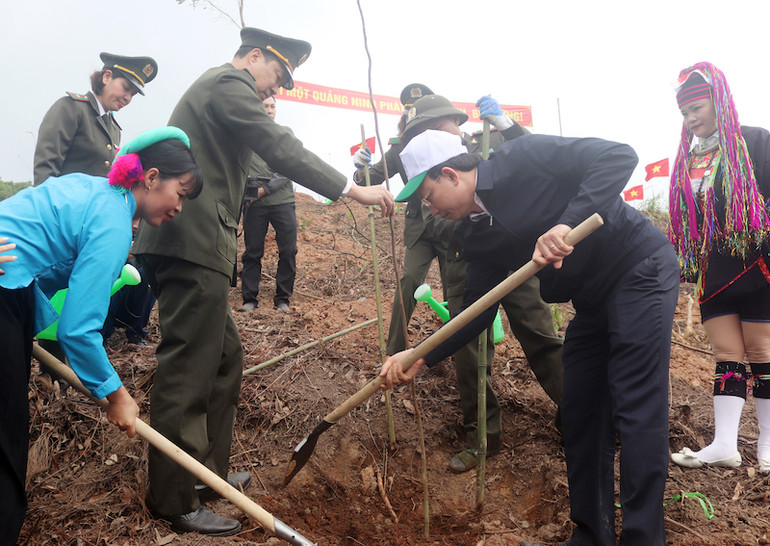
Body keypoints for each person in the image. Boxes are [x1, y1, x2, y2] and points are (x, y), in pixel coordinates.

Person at [131, 27, 394, 536]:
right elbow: (276, 144)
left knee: (225, 358)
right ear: (254, 57)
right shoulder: (227, 83)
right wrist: (350, 190)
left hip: (200, 244)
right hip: (191, 243)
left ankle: (204, 473)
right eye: (275, 77)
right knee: (189, 368)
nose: (274, 91)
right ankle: (173, 498)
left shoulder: (222, 93)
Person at [379, 130, 679, 545]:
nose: (429, 210)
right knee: (581, 410)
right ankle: (592, 536)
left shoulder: (524, 156)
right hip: (591, 302)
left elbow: (618, 156)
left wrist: (565, 223)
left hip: (638, 270)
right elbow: (478, 310)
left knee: (634, 405)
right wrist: (423, 354)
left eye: (428, 197)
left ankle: (644, 538)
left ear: (450, 174)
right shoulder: (474, 234)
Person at [0, 127, 202, 544]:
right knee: (5, 440)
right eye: (180, 193)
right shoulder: (113, 220)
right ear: (150, 178)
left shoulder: (98, 194)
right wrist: (117, 395)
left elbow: (55, 265)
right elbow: (77, 329)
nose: (180, 207)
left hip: (12, 289)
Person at [355, 90, 564, 473]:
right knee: (469, 354)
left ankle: (576, 411)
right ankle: (482, 437)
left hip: (520, 260)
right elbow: (429, 215)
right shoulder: (424, 164)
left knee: (542, 337)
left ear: (455, 121)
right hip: (464, 262)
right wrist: (469, 223)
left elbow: (537, 158)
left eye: (437, 125)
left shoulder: (487, 145)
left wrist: (506, 123)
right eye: (419, 129)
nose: (431, 133)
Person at [668, 62, 770, 473]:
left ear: (719, 101)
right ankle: (725, 443)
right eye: (684, 113)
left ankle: (767, 444)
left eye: (697, 108)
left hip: (758, 263)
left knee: (763, 352)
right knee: (727, 354)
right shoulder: (688, 160)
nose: (691, 119)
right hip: (714, 269)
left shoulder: (755, 142)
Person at [33, 52, 159, 350]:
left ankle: (66, 361)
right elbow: (46, 168)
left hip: (91, 226)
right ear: (106, 77)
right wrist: (52, 220)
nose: (128, 96)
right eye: (125, 87)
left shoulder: (113, 127)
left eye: (133, 93)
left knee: (77, 293)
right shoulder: (71, 109)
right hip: (62, 221)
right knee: (52, 291)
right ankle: (47, 364)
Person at [238, 96, 297, 314]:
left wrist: (265, 189)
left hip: (282, 200)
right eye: (265, 106)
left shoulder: (285, 133)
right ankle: (249, 299)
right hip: (253, 203)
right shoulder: (245, 136)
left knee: (289, 250)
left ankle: (282, 299)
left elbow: (290, 166)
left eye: (273, 106)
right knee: (252, 251)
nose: (270, 110)